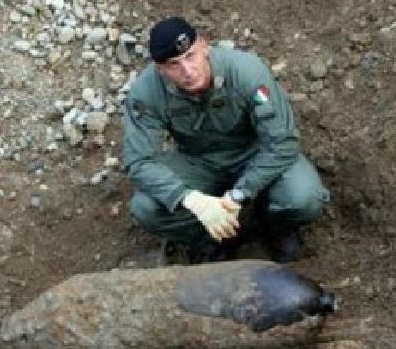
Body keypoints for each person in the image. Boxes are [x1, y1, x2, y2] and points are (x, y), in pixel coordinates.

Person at [122, 17, 330, 263]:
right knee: (147, 208)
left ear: (204, 46)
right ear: (161, 70)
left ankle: (274, 226)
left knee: (304, 196)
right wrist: (191, 200)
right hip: (199, 161)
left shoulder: (245, 71)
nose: (188, 71)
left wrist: (239, 194)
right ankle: (211, 239)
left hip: (254, 153)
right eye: (174, 65)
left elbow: (282, 142)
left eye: (190, 56)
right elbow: (138, 162)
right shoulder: (146, 93)